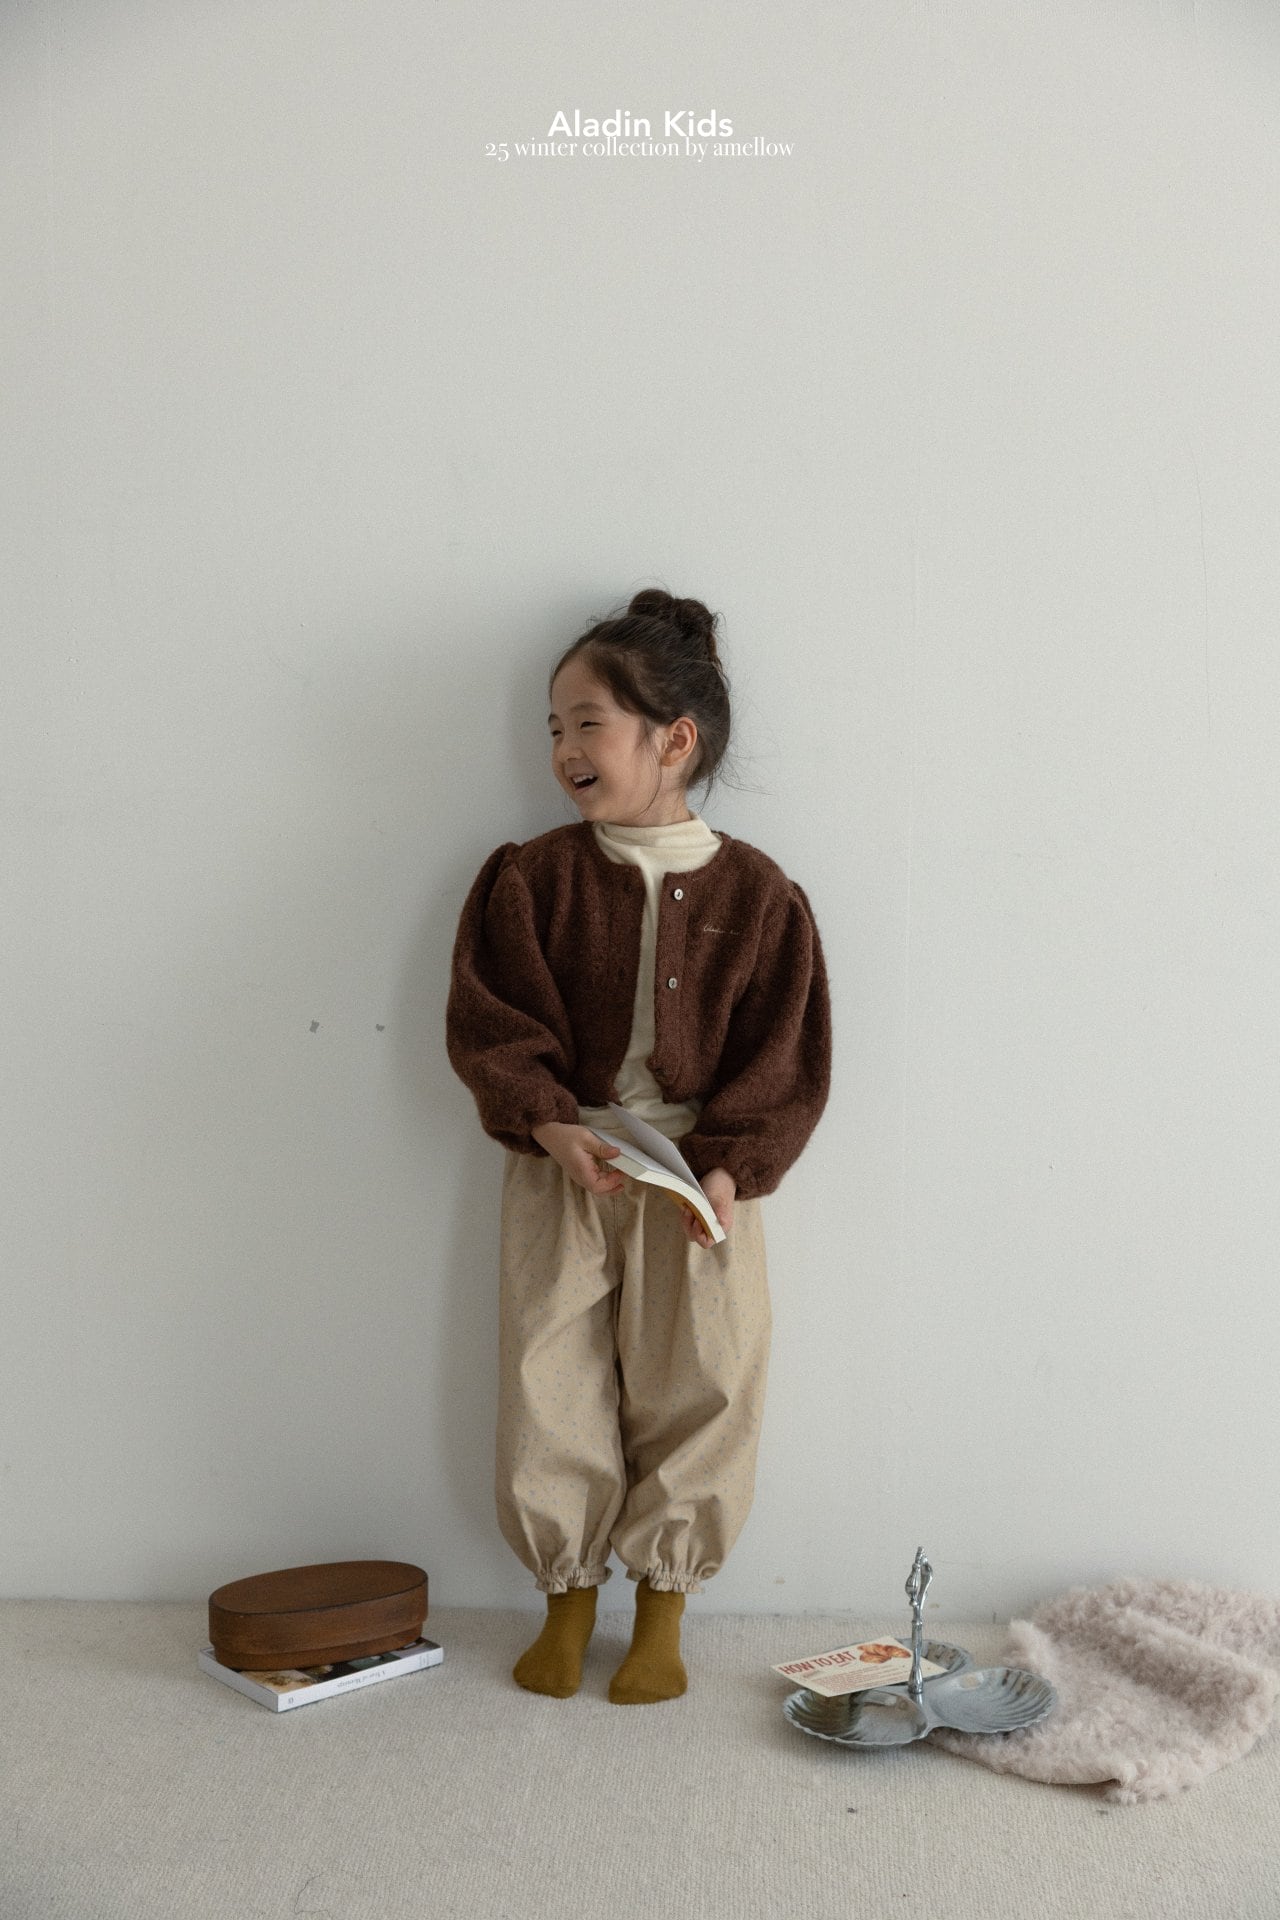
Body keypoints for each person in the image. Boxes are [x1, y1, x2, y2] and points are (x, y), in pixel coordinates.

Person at [445, 588, 832, 1704]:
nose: (564, 747)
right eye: (553, 726)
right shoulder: (531, 878)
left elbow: (785, 1050)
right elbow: (492, 1020)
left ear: (674, 740)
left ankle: (662, 1608)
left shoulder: (761, 895)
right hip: (563, 1162)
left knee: (705, 1373)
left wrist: (731, 1166)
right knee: (547, 1373)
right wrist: (550, 1122)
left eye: (589, 723)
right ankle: (566, 1604)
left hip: (701, 1180)